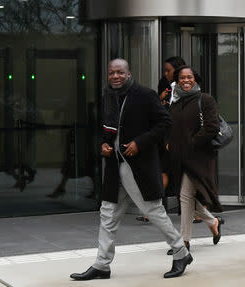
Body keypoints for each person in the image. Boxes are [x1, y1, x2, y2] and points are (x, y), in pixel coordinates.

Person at [70, 59, 192, 280]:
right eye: (111, 73)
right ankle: (102, 264)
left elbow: (165, 123)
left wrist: (140, 143)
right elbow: (107, 130)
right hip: (115, 167)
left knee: (153, 211)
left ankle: (181, 252)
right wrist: (104, 145)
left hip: (138, 167)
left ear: (129, 73)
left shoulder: (144, 95)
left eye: (120, 72)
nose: (115, 76)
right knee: (107, 215)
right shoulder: (108, 96)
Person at [166, 65, 224, 255]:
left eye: (189, 77)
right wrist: (168, 142)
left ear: (195, 79)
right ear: (178, 81)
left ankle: (183, 242)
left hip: (199, 157)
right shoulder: (175, 103)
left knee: (184, 196)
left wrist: (192, 142)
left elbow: (212, 127)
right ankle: (212, 222)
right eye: (182, 78)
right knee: (189, 197)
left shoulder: (205, 99)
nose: (186, 80)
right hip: (179, 157)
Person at [136, 56, 186, 223]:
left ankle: (199, 212)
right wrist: (161, 99)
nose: (165, 74)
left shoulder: (187, 86)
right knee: (163, 172)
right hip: (165, 137)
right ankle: (150, 211)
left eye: (168, 71)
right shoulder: (165, 85)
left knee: (186, 174)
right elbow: (158, 111)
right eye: (164, 71)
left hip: (181, 137)